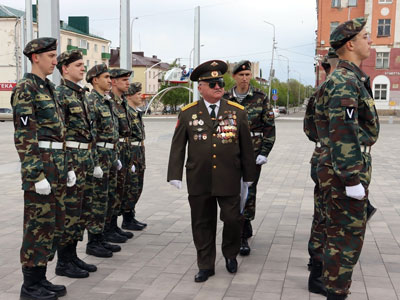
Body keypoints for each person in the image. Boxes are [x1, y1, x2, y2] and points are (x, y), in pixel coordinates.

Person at [167, 60, 256, 282]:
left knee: (233, 219)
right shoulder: (188, 113)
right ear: (201, 88)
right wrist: (174, 175)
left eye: (220, 82)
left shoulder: (237, 112)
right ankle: (205, 264)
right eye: (212, 83)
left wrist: (249, 177)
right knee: (202, 222)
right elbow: (178, 146)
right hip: (199, 178)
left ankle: (230, 254)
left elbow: (246, 147)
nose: (218, 86)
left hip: (229, 177)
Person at [314, 17, 380, 299]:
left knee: (337, 236)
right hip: (344, 172)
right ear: (351, 44)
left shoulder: (348, 78)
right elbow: (344, 133)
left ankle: (334, 289)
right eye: (366, 36)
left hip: (340, 167)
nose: (370, 41)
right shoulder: (344, 82)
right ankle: (336, 292)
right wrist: (352, 178)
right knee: (345, 241)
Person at [11, 37, 76, 300]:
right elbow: (25, 137)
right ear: (35, 57)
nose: (55, 61)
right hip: (42, 168)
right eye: (51, 56)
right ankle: (30, 287)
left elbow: (61, 134)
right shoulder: (26, 88)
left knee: (53, 225)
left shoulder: (48, 87)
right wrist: (36, 175)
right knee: (37, 226)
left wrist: (68, 166)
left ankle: (41, 278)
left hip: (57, 165)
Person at [55, 50, 102, 278]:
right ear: (65, 69)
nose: (83, 68)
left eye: (83, 65)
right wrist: (67, 167)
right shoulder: (61, 94)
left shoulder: (81, 94)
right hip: (71, 160)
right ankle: (63, 262)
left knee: (82, 210)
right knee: (69, 212)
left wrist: (93, 161)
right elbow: (59, 134)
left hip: (85, 158)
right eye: (78, 65)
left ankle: (73, 256)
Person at [224, 60, 275, 256]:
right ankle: (236, 225)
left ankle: (243, 231)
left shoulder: (260, 98)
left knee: (249, 190)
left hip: (253, 152)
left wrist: (264, 152)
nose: (244, 79)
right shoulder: (226, 98)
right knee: (231, 190)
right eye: (241, 75)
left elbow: (269, 127)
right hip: (230, 152)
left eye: (247, 75)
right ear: (234, 77)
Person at [303, 49, 339, 297]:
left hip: (328, 157)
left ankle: (319, 265)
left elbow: (308, 129)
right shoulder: (327, 91)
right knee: (325, 217)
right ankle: (317, 271)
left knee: (324, 215)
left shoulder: (327, 90)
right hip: (330, 161)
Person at [85, 64, 121, 257]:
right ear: (94, 79)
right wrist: (96, 163)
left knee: (108, 198)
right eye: (106, 77)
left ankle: (102, 237)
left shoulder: (107, 101)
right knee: (97, 200)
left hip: (109, 155)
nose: (109, 80)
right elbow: (91, 134)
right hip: (99, 155)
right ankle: (93, 241)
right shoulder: (91, 101)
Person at [105, 69, 136, 242]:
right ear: (114, 82)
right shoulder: (111, 102)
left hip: (125, 149)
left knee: (121, 190)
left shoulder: (122, 102)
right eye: (124, 80)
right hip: (115, 149)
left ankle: (114, 226)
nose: (128, 83)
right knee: (113, 191)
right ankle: (108, 229)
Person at [122, 83, 147, 231]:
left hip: (139, 151)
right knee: (131, 186)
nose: (141, 96)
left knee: (137, 185)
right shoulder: (127, 113)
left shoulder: (136, 112)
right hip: (131, 151)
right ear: (129, 96)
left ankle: (131, 215)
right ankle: (127, 218)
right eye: (138, 94)